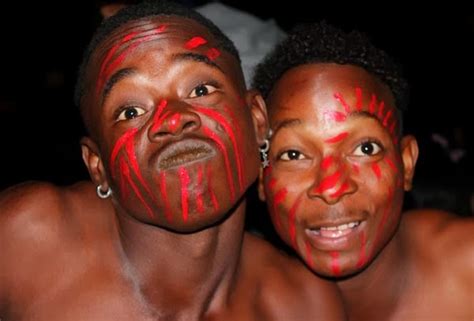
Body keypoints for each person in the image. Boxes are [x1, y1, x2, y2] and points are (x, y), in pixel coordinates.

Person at [0, 2, 345, 320]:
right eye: (131, 111)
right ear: (97, 167)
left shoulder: (304, 307)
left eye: (200, 90)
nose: (173, 119)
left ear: (256, 121)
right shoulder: (25, 240)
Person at [252, 21, 474, 320]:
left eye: (365, 149)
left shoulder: (466, 269)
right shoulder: (245, 307)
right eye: (293, 154)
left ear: (406, 163)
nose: (331, 187)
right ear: (262, 178)